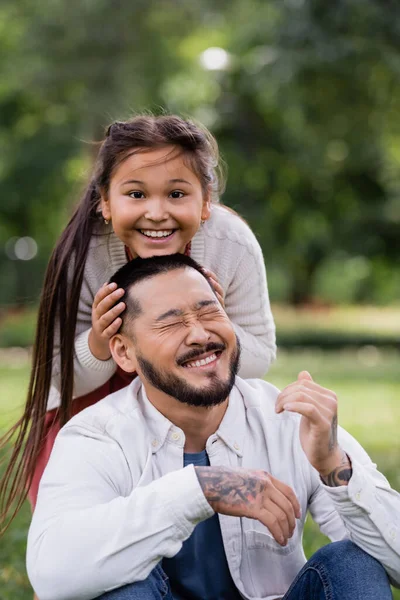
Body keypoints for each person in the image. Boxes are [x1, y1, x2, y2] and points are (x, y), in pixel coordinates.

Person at [27, 254, 400, 600]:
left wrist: (334, 465)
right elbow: (53, 572)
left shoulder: (287, 421)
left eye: (210, 313)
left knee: (354, 563)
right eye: (171, 322)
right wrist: (201, 489)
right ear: (124, 352)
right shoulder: (96, 435)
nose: (200, 334)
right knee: (119, 579)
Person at [0, 115, 276, 522]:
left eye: (177, 193)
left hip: (192, 399)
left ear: (205, 202)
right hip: (91, 402)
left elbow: (260, 359)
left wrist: (216, 325)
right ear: (106, 202)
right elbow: (61, 375)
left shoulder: (230, 244)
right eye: (136, 194)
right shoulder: (84, 256)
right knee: (82, 527)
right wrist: (99, 341)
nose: (157, 213)